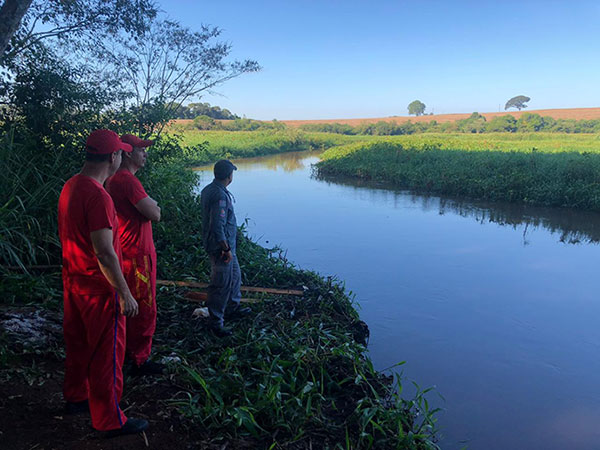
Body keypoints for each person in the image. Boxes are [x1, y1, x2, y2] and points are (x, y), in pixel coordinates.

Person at [58, 129, 148, 437]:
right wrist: (125, 292)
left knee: (79, 345)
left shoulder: (71, 185)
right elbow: (105, 251)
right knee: (107, 356)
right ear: (113, 157)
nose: (122, 156)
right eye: (121, 153)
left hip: (74, 283)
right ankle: (109, 420)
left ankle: (76, 397)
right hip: (99, 289)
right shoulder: (99, 196)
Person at [105, 134, 163, 376]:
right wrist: (154, 205)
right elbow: (155, 213)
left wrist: (152, 205)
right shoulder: (127, 181)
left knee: (131, 305)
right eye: (141, 150)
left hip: (129, 250)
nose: (145, 154)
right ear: (128, 153)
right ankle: (138, 359)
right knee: (144, 306)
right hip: (137, 254)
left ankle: (126, 351)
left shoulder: (116, 179)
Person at [200, 159, 251, 337]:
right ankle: (216, 322)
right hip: (221, 248)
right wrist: (225, 248)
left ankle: (232, 308)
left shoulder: (210, 189)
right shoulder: (220, 196)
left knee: (235, 277)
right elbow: (217, 226)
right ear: (229, 176)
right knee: (220, 285)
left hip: (228, 247)